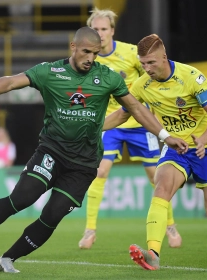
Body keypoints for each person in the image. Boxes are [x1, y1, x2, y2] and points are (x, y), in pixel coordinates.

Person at [0, 27, 189, 273]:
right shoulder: (50, 72)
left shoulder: (108, 78)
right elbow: (12, 81)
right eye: (86, 52)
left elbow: (137, 110)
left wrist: (165, 136)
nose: (90, 58)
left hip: (84, 165)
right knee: (22, 198)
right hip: (51, 153)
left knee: (52, 215)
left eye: (95, 54)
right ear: (73, 47)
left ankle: (9, 259)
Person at [103, 34, 207, 271]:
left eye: (151, 62)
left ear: (164, 57)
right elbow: (122, 114)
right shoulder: (141, 85)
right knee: (161, 189)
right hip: (175, 148)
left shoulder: (191, 78)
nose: (146, 68)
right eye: (143, 63)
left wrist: (204, 140)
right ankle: (153, 254)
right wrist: (94, 124)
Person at [78, 8, 182, 250]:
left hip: (138, 122)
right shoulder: (88, 59)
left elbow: (152, 73)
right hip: (111, 122)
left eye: (104, 29)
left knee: (155, 176)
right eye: (95, 30)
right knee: (100, 171)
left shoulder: (130, 53)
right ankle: (90, 230)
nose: (100, 33)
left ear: (112, 30)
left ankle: (170, 224)